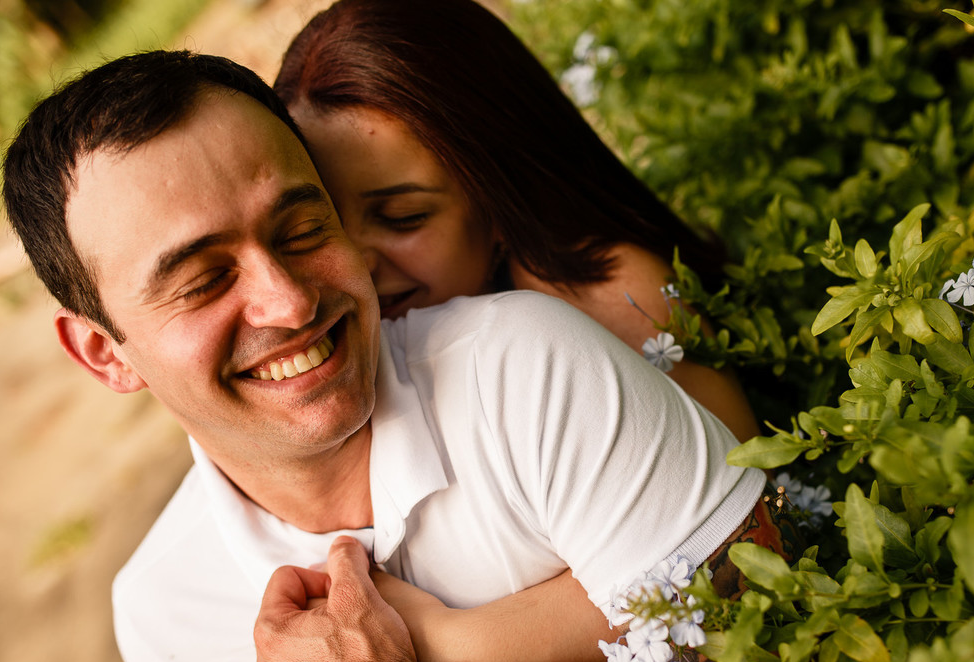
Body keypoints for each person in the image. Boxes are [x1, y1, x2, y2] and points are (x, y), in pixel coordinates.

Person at [1, 50, 801, 662]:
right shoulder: (165, 609)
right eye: (205, 279)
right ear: (106, 353)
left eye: (301, 229)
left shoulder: (530, 369)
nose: (290, 302)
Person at [273, 0, 760, 444]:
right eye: (318, 224)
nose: (356, 258)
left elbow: (757, 512)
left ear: (500, 194)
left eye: (404, 217)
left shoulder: (607, 298)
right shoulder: (318, 344)